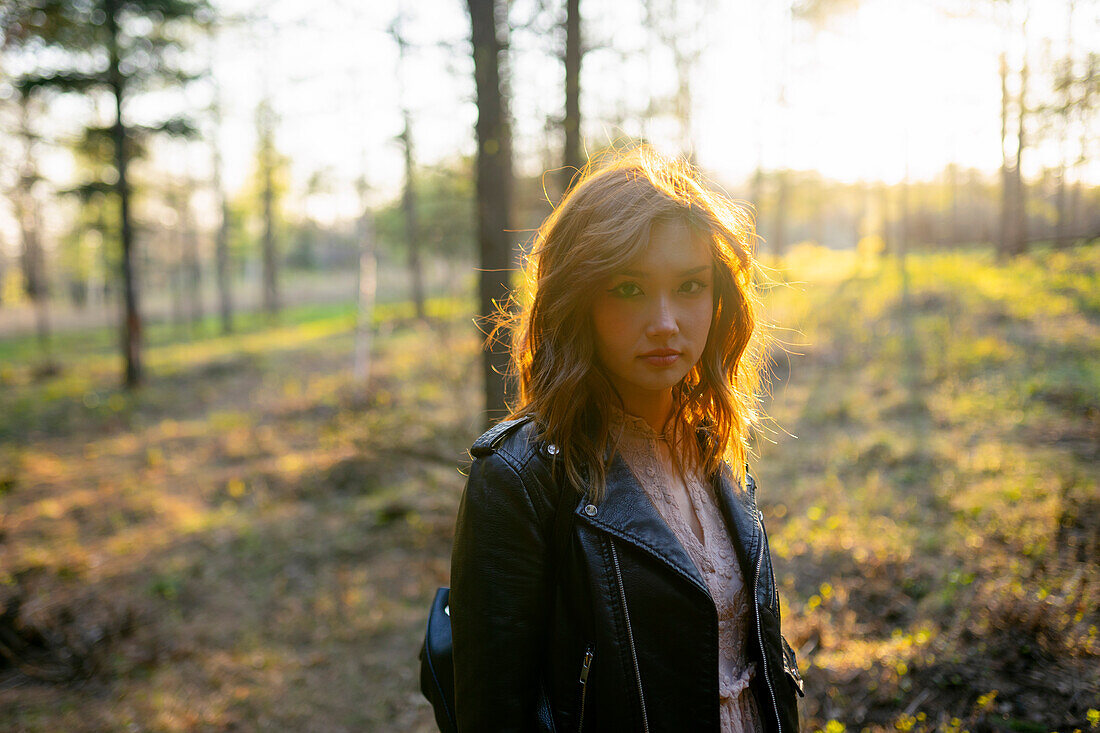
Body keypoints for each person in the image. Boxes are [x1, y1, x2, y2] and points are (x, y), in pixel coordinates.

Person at [449, 146, 803, 732]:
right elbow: (494, 714)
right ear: (578, 298)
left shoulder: (711, 442)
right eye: (630, 289)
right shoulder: (519, 479)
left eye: (690, 286)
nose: (666, 321)